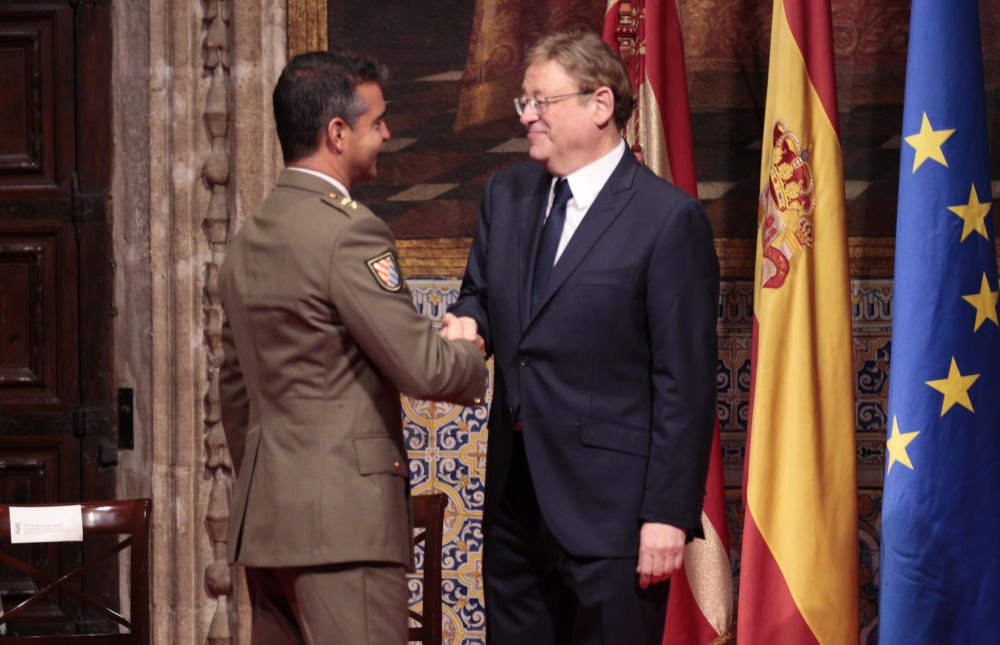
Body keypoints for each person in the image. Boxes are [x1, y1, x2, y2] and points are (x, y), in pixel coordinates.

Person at [444, 30, 719, 644]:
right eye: (523, 102)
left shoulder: (667, 219)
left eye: (542, 101)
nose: (526, 116)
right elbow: (482, 293)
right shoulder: (506, 195)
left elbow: (685, 382)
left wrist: (667, 517)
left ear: (600, 106)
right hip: (515, 503)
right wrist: (470, 323)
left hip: (614, 515)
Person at [218, 51, 487, 645]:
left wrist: (280, 485)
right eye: (377, 122)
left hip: (269, 526)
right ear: (336, 133)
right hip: (344, 529)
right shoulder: (348, 231)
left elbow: (234, 390)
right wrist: (466, 348)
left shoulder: (248, 239)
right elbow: (422, 367)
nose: (387, 133)